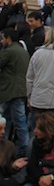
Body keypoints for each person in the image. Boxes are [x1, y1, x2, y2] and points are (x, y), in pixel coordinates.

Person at [0, 28, 30, 158]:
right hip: (20, 90)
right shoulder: (22, 51)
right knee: (14, 120)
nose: (1, 41)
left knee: (18, 121)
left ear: (8, 38)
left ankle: (24, 149)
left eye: (2, 38)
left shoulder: (9, 51)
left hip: (10, 91)